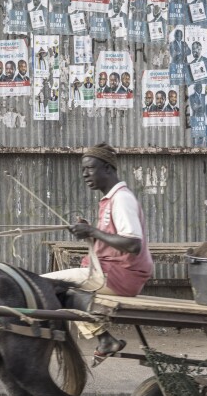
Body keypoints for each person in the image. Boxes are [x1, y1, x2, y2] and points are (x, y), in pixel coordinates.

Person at [42, 143, 153, 367]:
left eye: (90, 169)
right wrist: (89, 232)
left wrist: (92, 231)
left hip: (118, 276)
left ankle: (100, 339)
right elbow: (113, 239)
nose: (85, 175)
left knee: (43, 284)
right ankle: (104, 340)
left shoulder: (121, 199)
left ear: (108, 169)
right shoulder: (111, 199)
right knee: (64, 291)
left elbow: (133, 244)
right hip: (112, 273)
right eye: (83, 170)